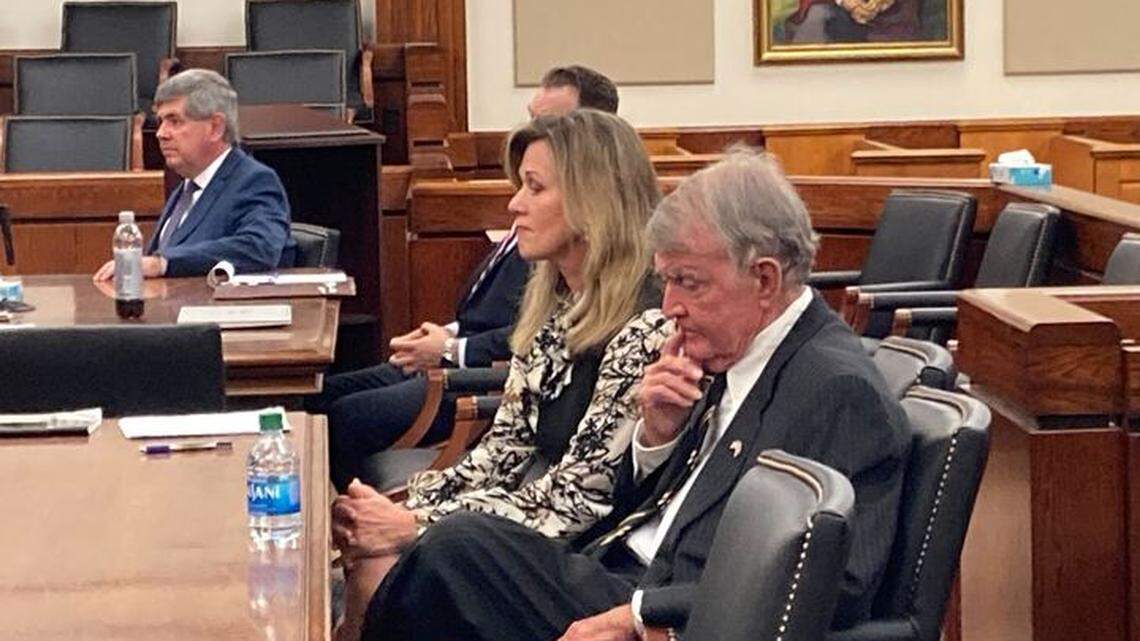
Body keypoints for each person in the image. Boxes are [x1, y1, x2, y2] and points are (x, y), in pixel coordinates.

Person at [355, 149, 911, 641]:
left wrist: (644, 613)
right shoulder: (726, 348)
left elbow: (835, 583)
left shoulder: (836, 389)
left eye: (688, 282)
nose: (669, 305)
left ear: (765, 279)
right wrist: (656, 438)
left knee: (458, 551)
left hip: (673, 613)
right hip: (618, 566)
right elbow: (652, 501)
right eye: (664, 281)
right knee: (447, 561)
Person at [331, 108, 671, 641]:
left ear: (593, 200)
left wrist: (413, 524)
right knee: (374, 549)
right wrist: (402, 506)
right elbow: (498, 455)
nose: (515, 205)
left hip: (597, 560)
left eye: (535, 188)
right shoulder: (559, 313)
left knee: (395, 560)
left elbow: (578, 501)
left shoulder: (648, 325)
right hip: (539, 532)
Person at [305, 64, 622, 489]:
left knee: (344, 418)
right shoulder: (545, 241)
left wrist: (453, 349)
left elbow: (570, 487)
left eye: (548, 123)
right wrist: (445, 334)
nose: (515, 204)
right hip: (460, 366)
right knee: (317, 396)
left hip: (474, 377)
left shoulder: (605, 281)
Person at [93, 69, 291, 280]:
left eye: (175, 121)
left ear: (215, 127)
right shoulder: (185, 187)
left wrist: (163, 263)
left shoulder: (254, 181)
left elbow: (259, 247)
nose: (161, 133)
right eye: (161, 121)